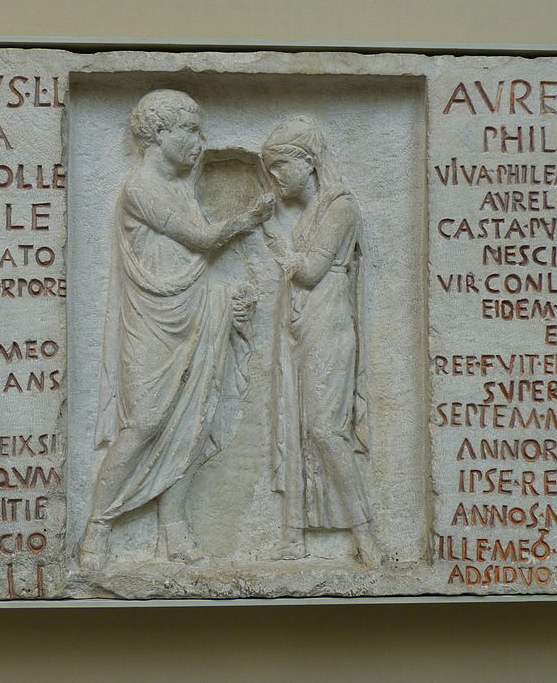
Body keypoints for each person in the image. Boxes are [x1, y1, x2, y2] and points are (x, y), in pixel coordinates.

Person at [79, 89, 274, 569]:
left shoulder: (182, 186)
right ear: (158, 132)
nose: (199, 141)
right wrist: (250, 217)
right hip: (152, 320)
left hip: (195, 310)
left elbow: (195, 262)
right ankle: (97, 527)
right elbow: (202, 240)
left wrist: (229, 301)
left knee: (195, 417)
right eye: (189, 129)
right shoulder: (140, 186)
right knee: (144, 422)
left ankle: (173, 529)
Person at [262, 115, 381, 567]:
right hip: (299, 327)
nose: (274, 178)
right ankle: (293, 535)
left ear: (308, 163)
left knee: (326, 432)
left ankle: (365, 534)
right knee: (294, 426)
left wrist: (272, 240)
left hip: (328, 326)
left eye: (280, 166)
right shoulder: (314, 210)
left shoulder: (340, 206)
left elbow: (310, 272)